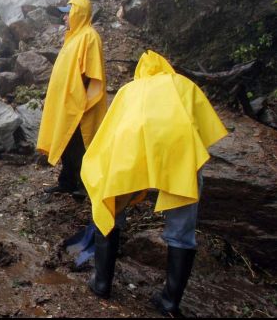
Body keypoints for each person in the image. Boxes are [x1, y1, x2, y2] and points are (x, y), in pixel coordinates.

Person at [81, 50, 228, 316]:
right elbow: (204, 133)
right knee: (182, 226)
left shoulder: (129, 90)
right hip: (177, 152)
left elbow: (110, 134)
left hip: (131, 153)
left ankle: (101, 283)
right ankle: (170, 302)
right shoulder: (184, 85)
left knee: (110, 206)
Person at [36, 0, 106, 198]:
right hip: (66, 102)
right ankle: (66, 182)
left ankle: (84, 186)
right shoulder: (73, 37)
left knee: (79, 144)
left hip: (79, 103)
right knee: (66, 143)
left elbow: (92, 72)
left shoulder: (89, 36)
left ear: (79, 13)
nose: (64, 18)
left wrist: (82, 98)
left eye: (68, 14)